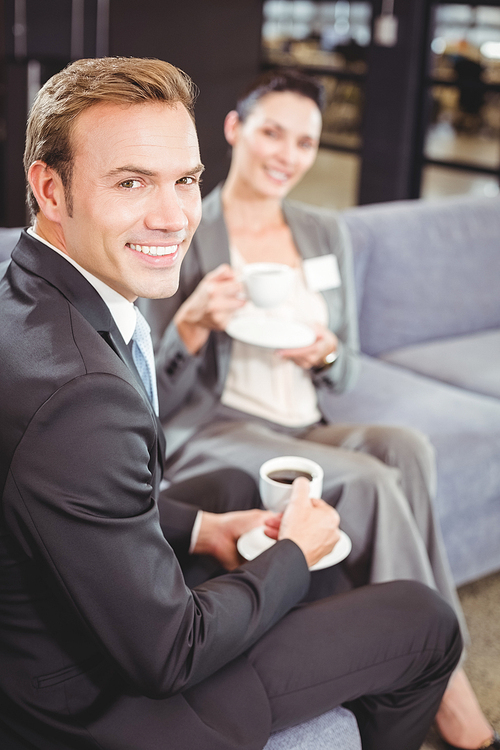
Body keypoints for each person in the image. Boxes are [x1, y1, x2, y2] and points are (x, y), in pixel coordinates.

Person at [0, 55, 464, 750]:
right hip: (99, 707)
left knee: (234, 493)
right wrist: (292, 559)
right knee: (426, 620)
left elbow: (69, 491)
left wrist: (204, 530)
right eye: (131, 182)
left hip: (61, 614)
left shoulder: (29, 293)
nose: (171, 216)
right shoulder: (82, 394)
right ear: (50, 189)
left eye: (185, 180)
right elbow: (167, 655)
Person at [141, 69, 498, 750]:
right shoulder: (185, 228)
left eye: (304, 142)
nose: (286, 154)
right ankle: (448, 690)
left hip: (306, 417)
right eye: (272, 131)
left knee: (407, 447)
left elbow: (347, 368)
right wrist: (188, 327)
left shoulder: (322, 231)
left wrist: (327, 354)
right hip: (219, 426)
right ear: (235, 129)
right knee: (368, 480)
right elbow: (152, 397)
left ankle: (421, 645)